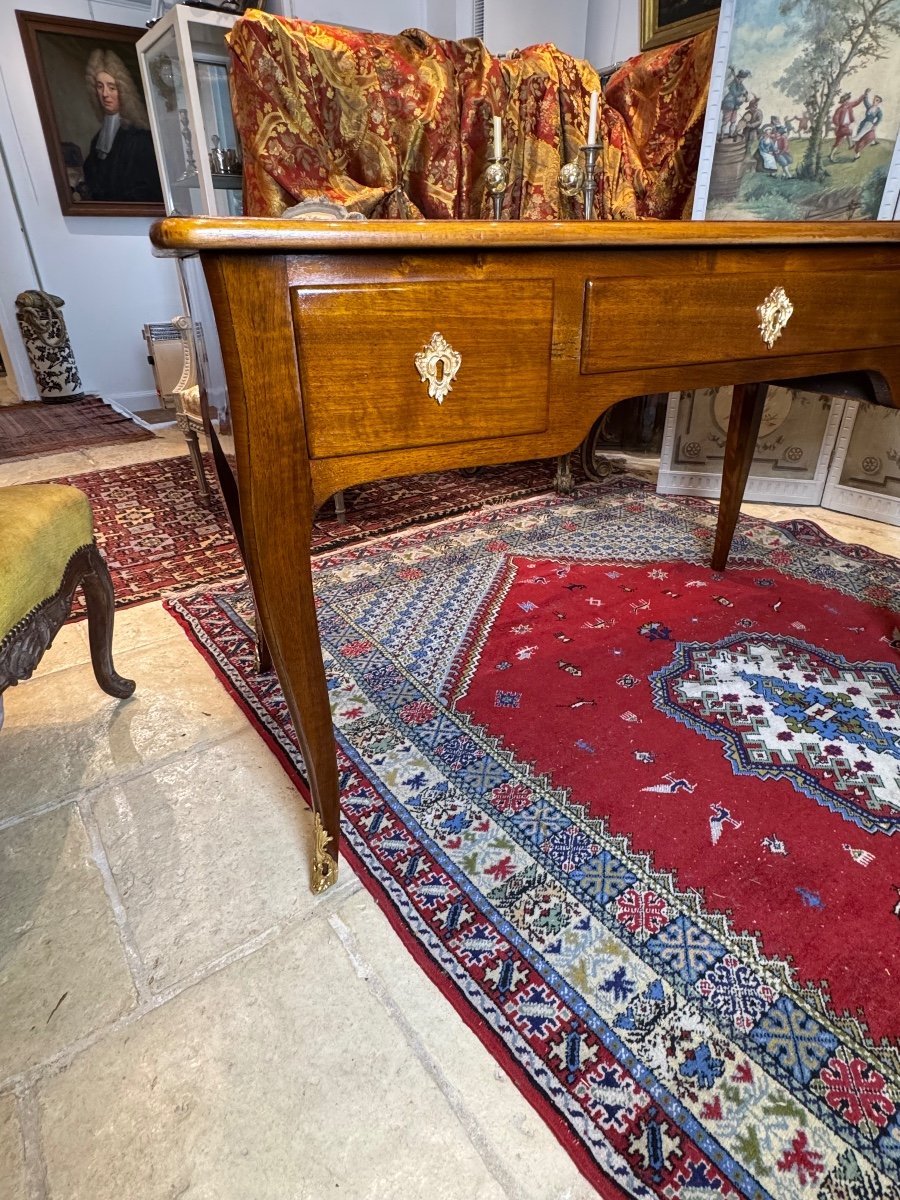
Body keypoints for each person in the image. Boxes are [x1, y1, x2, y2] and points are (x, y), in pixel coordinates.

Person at [82, 48, 162, 203]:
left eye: (112, 87)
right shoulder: (97, 140)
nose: (105, 94)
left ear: (123, 91)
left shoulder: (140, 138)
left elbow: (147, 189)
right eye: (100, 86)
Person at [828, 91, 863, 161]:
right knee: (849, 132)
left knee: (838, 142)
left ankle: (831, 155)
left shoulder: (849, 105)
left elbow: (857, 102)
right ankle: (851, 146)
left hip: (846, 126)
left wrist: (864, 95)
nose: (846, 102)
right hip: (841, 127)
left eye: (847, 100)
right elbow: (835, 118)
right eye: (845, 101)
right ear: (842, 102)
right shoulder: (839, 109)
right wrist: (837, 125)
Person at [720, 67, 751, 138]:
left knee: (733, 122)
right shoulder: (733, 84)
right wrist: (741, 92)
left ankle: (730, 134)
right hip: (729, 104)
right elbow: (734, 93)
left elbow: (745, 91)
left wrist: (746, 95)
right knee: (725, 122)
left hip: (735, 106)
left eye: (743, 78)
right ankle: (721, 136)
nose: (742, 79)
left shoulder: (741, 85)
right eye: (742, 78)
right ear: (738, 77)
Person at [853, 89, 884, 157]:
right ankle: (857, 153)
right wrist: (866, 93)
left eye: (877, 100)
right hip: (863, 124)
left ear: (879, 102)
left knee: (865, 137)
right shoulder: (869, 107)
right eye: (874, 99)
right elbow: (865, 101)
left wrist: (875, 125)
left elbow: (880, 118)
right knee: (859, 137)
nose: (874, 101)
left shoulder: (879, 111)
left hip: (869, 125)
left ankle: (861, 140)